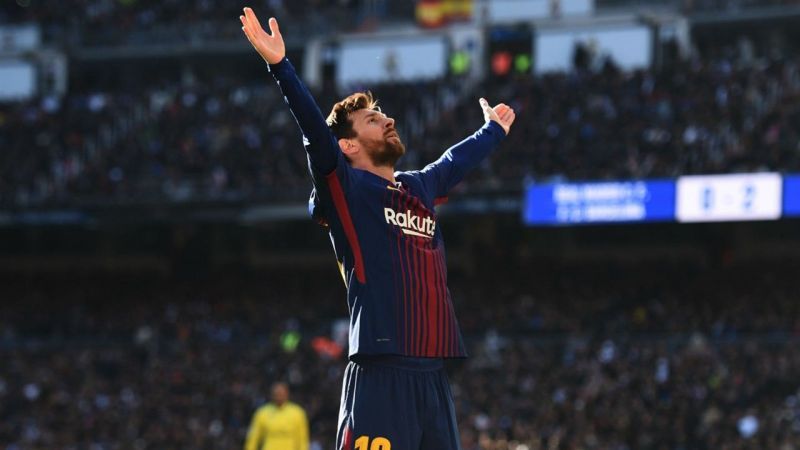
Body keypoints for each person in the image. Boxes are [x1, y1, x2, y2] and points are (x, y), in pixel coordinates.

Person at [239, 7, 515, 450]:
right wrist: (281, 67)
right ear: (348, 145)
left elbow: (450, 164)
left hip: (433, 376)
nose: (387, 120)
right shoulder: (349, 189)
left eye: (382, 114)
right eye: (372, 119)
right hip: (379, 374)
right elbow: (315, 134)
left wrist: (492, 132)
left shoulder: (417, 188)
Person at [244, 382, 310, 450]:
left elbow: (302, 439)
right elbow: (253, 438)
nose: (279, 396)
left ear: (287, 394)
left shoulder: (297, 413)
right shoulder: (262, 413)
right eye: (276, 394)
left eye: (281, 394)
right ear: (271, 395)